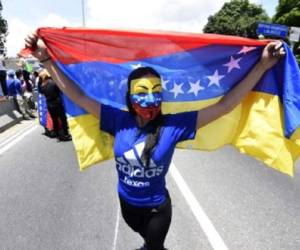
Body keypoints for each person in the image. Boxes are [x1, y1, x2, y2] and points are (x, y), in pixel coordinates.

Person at [25, 32, 285, 250]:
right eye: (142, 92)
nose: (150, 99)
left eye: (156, 92)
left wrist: (261, 65)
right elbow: (79, 95)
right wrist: (47, 60)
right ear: (129, 96)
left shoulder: (174, 125)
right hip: (127, 206)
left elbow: (226, 105)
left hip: (156, 211)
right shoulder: (117, 120)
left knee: (152, 247)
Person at [37, 69, 71, 141]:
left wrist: (40, 80)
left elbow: (40, 90)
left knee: (54, 119)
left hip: (49, 104)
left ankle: (57, 133)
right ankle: (65, 134)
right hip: (57, 103)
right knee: (63, 119)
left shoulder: (42, 86)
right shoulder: (54, 83)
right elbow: (61, 90)